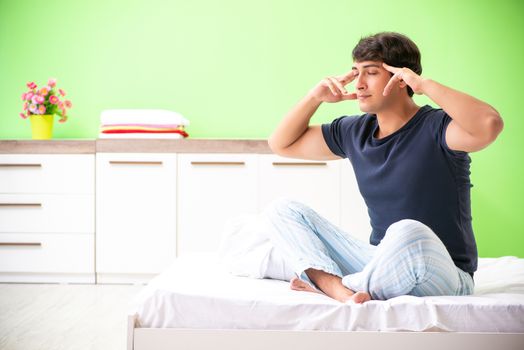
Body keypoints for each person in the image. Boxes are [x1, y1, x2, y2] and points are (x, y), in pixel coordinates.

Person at [264, 32, 504, 304]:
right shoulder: (355, 131)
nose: (360, 83)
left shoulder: (438, 128)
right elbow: (281, 144)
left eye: (371, 72)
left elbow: (489, 124)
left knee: (406, 231)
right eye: (356, 72)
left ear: (400, 78)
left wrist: (424, 84)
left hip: (443, 272)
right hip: (380, 261)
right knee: (282, 210)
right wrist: (314, 97)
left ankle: (335, 283)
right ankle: (338, 288)